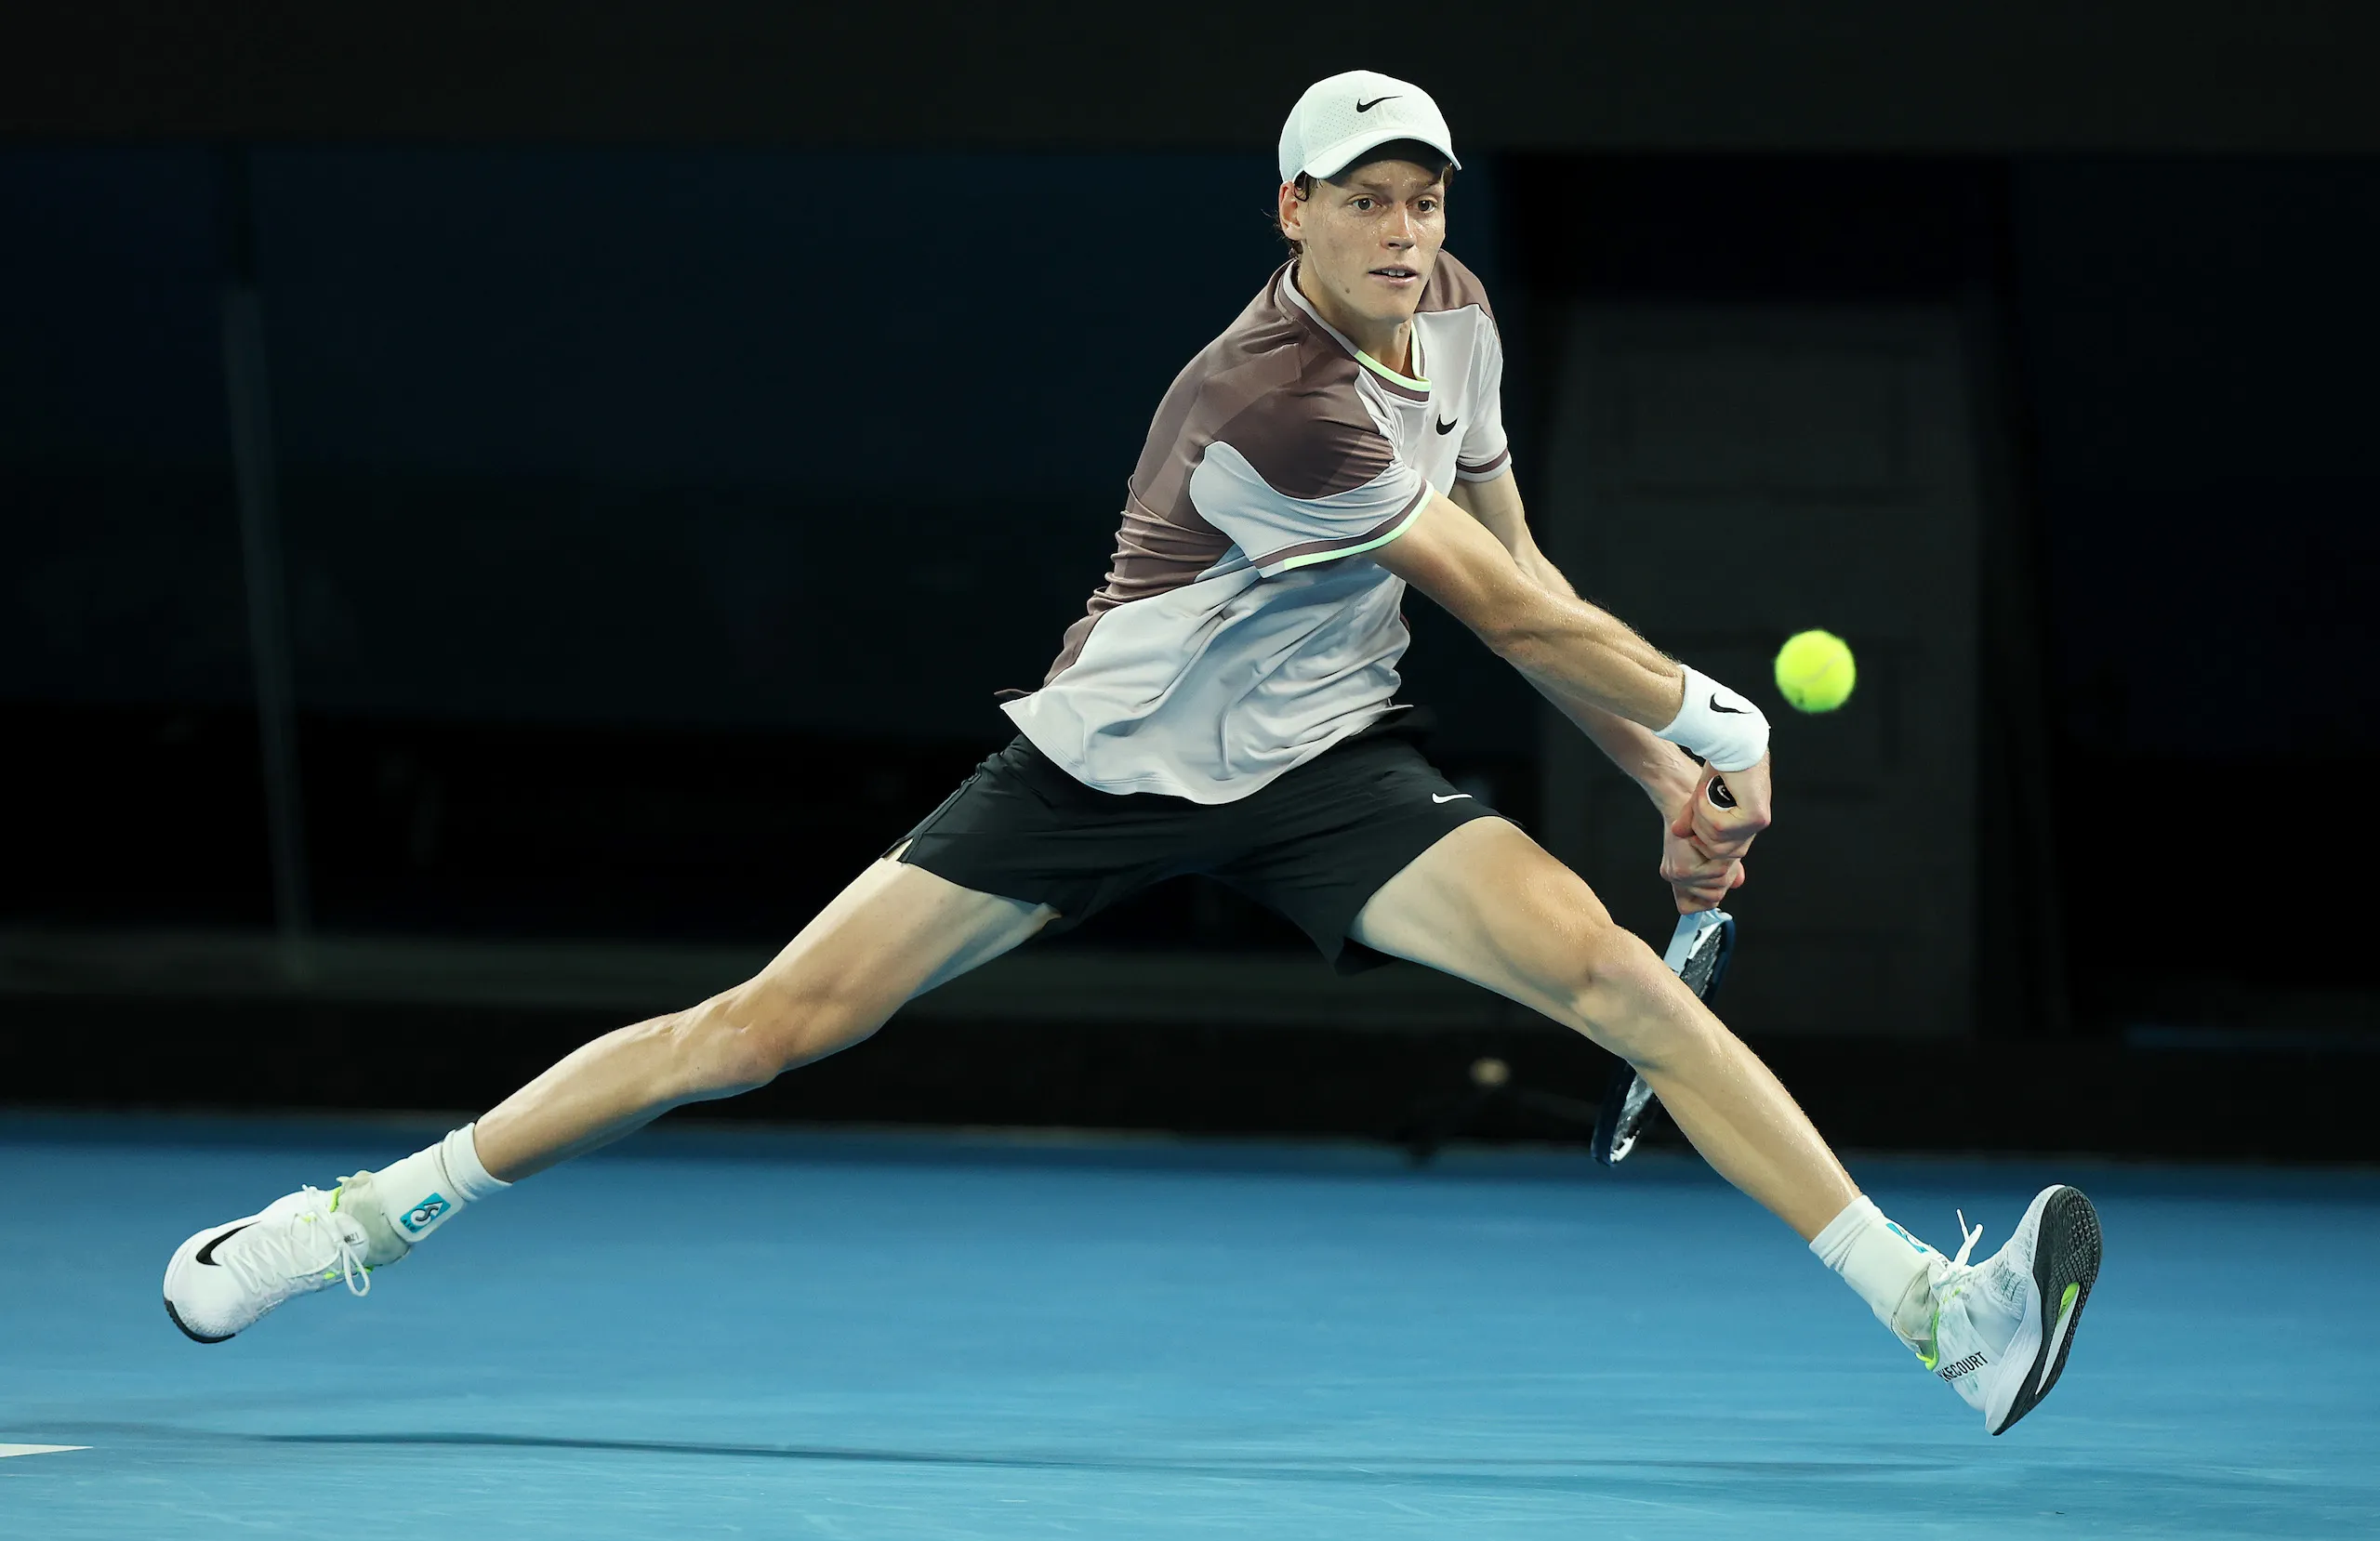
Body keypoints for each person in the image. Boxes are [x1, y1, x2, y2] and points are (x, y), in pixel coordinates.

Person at [164, 70, 2097, 1436]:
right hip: (1095, 769)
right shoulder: (1273, 402)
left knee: (1605, 971)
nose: (1403, 230)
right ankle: (360, 1217)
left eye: (1424, 196)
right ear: (1291, 214)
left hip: (1326, 766)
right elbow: (1503, 612)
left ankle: (1939, 1318)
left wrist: (1653, 768)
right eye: (1363, 199)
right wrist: (1702, 711)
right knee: (756, 1028)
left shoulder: (1463, 321)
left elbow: (1526, 577)